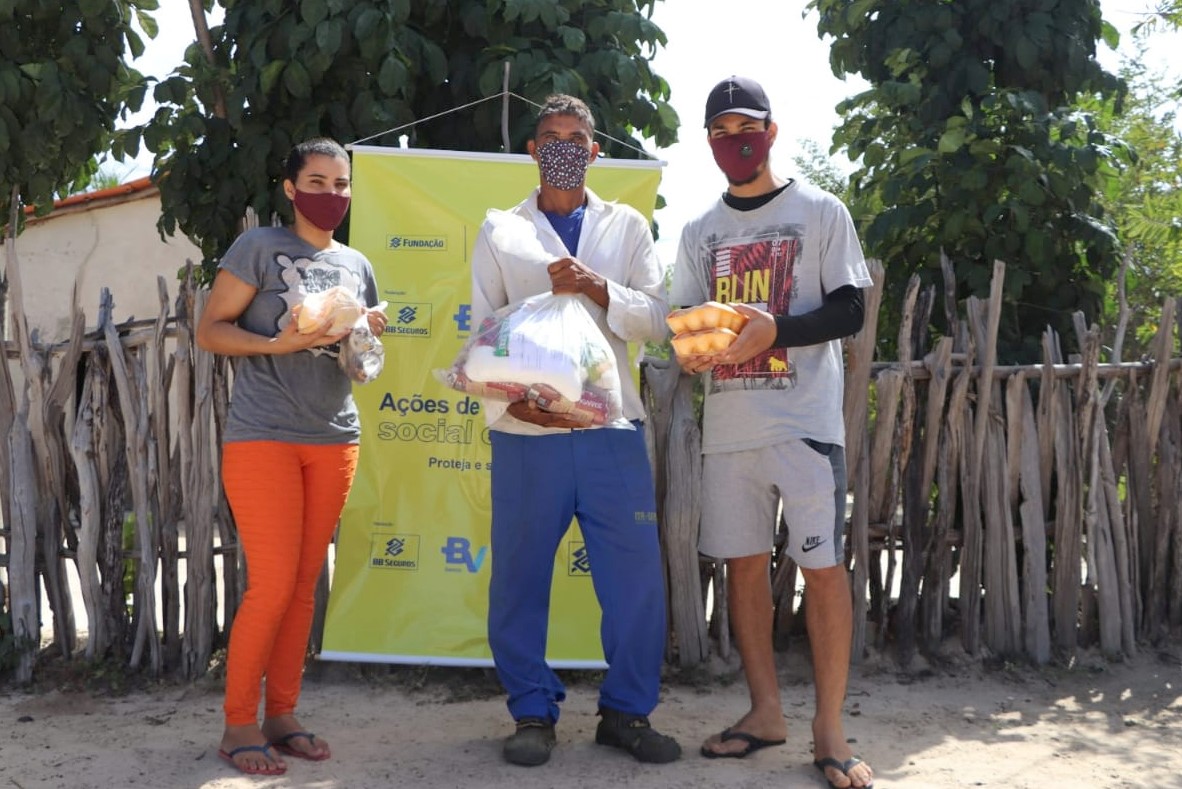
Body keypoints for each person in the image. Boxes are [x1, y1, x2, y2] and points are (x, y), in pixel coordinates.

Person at [670, 76, 876, 789]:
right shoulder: (700, 232)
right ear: (708, 143)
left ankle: (829, 728)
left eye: (746, 128)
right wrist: (691, 345)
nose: (736, 142)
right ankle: (764, 713)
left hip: (805, 426)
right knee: (744, 566)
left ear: (772, 131)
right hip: (729, 428)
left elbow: (849, 310)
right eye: (721, 132)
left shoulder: (820, 210)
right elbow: (682, 324)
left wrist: (775, 329)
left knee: (823, 570)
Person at [469, 94, 681, 767]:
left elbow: (657, 317)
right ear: (533, 151)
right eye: (550, 137)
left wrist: (598, 289)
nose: (563, 147)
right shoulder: (501, 228)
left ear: (594, 151)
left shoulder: (628, 227)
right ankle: (532, 711)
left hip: (612, 430)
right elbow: (483, 331)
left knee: (636, 580)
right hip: (526, 433)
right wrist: (509, 406)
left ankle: (626, 711)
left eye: (577, 138)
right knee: (519, 580)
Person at [196, 137, 388, 776]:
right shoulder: (259, 248)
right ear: (289, 187)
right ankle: (237, 725)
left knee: (304, 585)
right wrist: (278, 345)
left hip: (335, 435)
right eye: (317, 181)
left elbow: (358, 364)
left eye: (341, 184)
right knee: (273, 583)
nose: (330, 195)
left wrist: (364, 332)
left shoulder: (357, 264)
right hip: (262, 435)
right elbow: (210, 331)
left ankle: (281, 714)